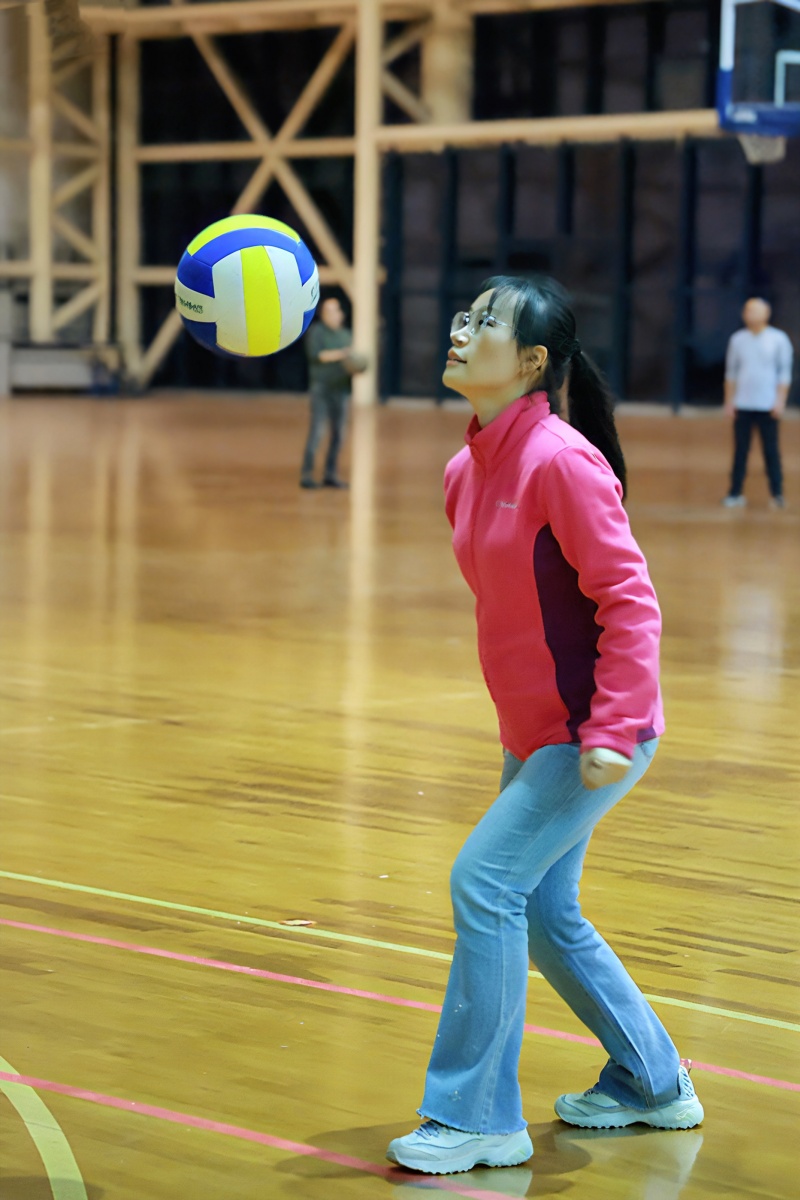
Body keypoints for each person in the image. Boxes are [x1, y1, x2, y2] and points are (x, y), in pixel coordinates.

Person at [386, 276, 703, 1178]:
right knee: (543, 909)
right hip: (537, 734)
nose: (461, 329)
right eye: (465, 315)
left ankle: (478, 1117)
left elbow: (630, 602)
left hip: (593, 732)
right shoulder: (465, 470)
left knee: (484, 883)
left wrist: (611, 727)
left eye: (485, 321)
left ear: (531, 362)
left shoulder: (562, 461)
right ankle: (652, 1083)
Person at [722, 297, 793, 509]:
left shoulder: (778, 339)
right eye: (747, 310)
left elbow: (784, 373)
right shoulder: (737, 339)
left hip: (768, 406)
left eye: (755, 311)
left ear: (766, 314)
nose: (750, 314)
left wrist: (779, 401)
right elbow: (731, 373)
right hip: (743, 405)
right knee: (740, 451)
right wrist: (730, 401)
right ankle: (734, 493)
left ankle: (777, 494)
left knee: (771, 451)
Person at [300, 296, 353, 489]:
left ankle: (331, 474)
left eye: (336, 310)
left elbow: (352, 360)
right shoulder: (317, 332)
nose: (334, 315)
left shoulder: (346, 335)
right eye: (329, 311)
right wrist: (342, 354)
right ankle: (307, 474)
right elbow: (317, 355)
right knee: (318, 431)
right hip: (321, 389)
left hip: (342, 389)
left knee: (339, 433)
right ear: (323, 314)